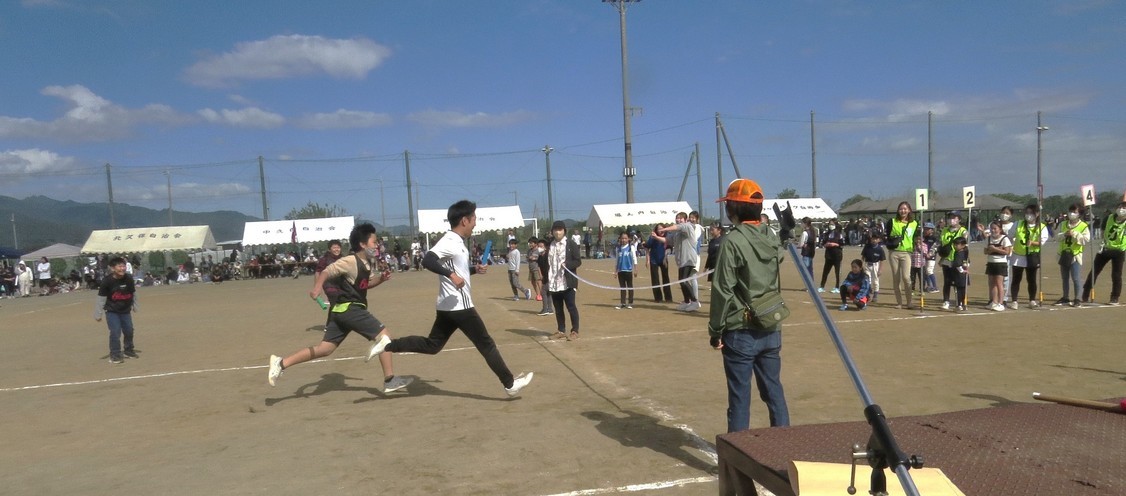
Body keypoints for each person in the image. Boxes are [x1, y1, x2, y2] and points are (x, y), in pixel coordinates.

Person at [376, 200, 533, 396]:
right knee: (486, 344)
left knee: (433, 345)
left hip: (448, 306)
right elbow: (428, 260)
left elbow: (457, 270)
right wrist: (451, 275)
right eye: (474, 219)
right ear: (464, 220)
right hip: (460, 306)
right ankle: (510, 384)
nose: (475, 223)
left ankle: (388, 345)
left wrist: (474, 269)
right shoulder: (450, 240)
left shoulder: (457, 242)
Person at [268, 223, 411, 393]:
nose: (377, 245)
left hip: (340, 312)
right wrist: (317, 288)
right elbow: (326, 271)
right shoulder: (350, 261)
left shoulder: (366, 263)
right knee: (384, 337)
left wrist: (381, 279)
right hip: (351, 308)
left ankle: (281, 363)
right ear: (362, 244)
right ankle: (389, 379)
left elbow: (366, 284)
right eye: (374, 242)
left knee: (325, 349)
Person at [708, 178, 789, 432]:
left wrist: (715, 330)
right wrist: (786, 233)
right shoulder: (770, 235)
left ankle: (737, 452)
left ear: (732, 208)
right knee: (774, 392)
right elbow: (780, 255)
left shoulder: (732, 241)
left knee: (740, 399)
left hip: (740, 329)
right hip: (771, 323)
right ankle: (785, 443)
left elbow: (722, 289)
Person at [93, 257, 139, 364]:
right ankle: (115, 354)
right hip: (112, 311)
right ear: (113, 268)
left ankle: (128, 350)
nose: (122, 268)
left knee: (129, 330)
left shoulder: (128, 278)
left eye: (124, 266)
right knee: (115, 332)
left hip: (125, 310)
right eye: (119, 266)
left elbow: (133, 293)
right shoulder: (107, 281)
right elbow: (101, 298)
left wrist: (135, 306)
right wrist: (98, 314)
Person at [657, 212, 705, 312]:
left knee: (684, 280)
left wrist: (664, 229)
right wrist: (655, 236)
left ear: (685, 220)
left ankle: (695, 302)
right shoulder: (677, 233)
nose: (678, 220)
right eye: (677, 218)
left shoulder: (688, 226)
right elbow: (667, 240)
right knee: (681, 281)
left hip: (689, 259)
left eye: (680, 218)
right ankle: (687, 302)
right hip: (681, 260)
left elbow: (677, 227)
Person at [1082, 201, 1126, 305]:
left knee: (1116, 275)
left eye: (1124, 208)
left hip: (1119, 251)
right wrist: (1103, 242)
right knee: (1094, 271)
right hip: (1105, 248)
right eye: (1120, 207)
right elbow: (1102, 231)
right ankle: (1085, 293)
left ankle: (1114, 297)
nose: (1121, 209)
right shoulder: (1109, 218)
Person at [546, 220, 583, 339]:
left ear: (564, 231)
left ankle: (575, 331)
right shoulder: (550, 245)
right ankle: (561, 330)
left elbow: (578, 261)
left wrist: (568, 264)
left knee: (571, 306)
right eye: (555, 230)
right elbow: (547, 263)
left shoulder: (571, 244)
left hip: (567, 282)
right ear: (552, 231)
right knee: (558, 308)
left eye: (560, 229)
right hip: (554, 282)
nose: (558, 232)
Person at [1010, 204, 1049, 309]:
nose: (1028, 215)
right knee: (1016, 279)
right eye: (1027, 212)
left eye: (1031, 213)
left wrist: (1033, 243)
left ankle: (1032, 300)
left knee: (1031, 279)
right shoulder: (1018, 224)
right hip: (1018, 256)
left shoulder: (1041, 227)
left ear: (1037, 214)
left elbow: (1042, 242)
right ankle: (1014, 301)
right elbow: (1010, 235)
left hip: (1032, 256)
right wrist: (1010, 246)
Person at [884, 202, 919, 309]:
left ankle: (909, 302)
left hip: (907, 252)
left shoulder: (914, 223)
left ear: (909, 210)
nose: (903, 211)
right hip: (894, 252)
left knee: (906, 277)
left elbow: (915, 237)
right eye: (901, 209)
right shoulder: (892, 221)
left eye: (905, 209)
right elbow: (887, 236)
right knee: (896, 278)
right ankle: (899, 302)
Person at [1054, 203, 1090, 307]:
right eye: (1070, 211)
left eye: (1074, 212)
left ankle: (1078, 298)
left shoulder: (1083, 226)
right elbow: (1056, 237)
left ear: (1079, 214)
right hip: (1063, 254)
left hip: (1075, 255)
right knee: (1064, 278)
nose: (1071, 213)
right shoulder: (1063, 224)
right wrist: (1064, 234)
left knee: (1076, 278)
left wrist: (1075, 234)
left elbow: (1085, 240)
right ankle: (1065, 297)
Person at [939, 211, 969, 310]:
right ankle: (946, 301)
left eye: (954, 217)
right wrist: (940, 257)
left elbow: (965, 244)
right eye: (950, 217)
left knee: (959, 282)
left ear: (959, 219)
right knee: (947, 282)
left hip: (958, 261)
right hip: (947, 260)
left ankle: (959, 302)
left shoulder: (963, 231)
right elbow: (942, 244)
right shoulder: (944, 230)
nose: (951, 220)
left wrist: (965, 261)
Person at [983, 220, 1012, 311]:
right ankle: (994, 302)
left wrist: (995, 249)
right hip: (991, 263)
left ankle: (1001, 302)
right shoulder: (988, 239)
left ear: (1000, 229)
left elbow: (1007, 252)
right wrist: (990, 250)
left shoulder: (1004, 239)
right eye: (991, 228)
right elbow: (985, 251)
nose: (993, 230)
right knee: (992, 283)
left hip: (1000, 263)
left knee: (999, 283)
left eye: (995, 228)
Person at [645, 224, 675, 303]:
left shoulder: (667, 237)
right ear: (656, 230)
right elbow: (647, 247)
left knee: (666, 278)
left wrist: (666, 257)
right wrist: (647, 260)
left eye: (662, 228)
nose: (661, 230)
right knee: (655, 279)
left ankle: (668, 298)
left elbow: (669, 248)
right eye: (659, 229)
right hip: (654, 260)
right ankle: (658, 298)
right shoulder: (652, 237)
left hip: (664, 260)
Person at [818, 219, 844, 293]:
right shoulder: (826, 234)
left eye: (832, 224)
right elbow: (823, 243)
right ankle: (822, 286)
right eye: (830, 224)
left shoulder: (839, 234)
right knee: (825, 271)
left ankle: (837, 287)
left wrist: (834, 244)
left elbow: (842, 245)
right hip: (829, 255)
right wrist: (826, 245)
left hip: (837, 255)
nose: (831, 226)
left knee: (837, 272)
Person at [613, 231, 637, 309]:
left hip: (628, 271)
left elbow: (634, 258)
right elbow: (617, 260)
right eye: (622, 238)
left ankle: (630, 302)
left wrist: (635, 269)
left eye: (625, 238)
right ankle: (623, 303)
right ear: (620, 239)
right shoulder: (618, 248)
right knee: (622, 287)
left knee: (630, 287)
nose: (623, 240)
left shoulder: (631, 247)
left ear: (628, 239)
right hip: (621, 271)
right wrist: (616, 271)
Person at [998, 206, 1017, 307]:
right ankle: (994, 297)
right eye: (1003, 212)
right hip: (996, 254)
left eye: (1007, 213)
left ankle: (1004, 298)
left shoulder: (1013, 225)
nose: (1004, 215)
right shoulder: (995, 224)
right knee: (994, 277)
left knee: (1005, 276)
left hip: (1007, 253)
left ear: (1011, 215)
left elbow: (1014, 238)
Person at [861, 232, 885, 304]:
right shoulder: (867, 247)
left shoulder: (880, 249)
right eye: (873, 239)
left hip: (875, 265)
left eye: (876, 239)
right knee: (867, 280)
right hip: (867, 264)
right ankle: (867, 295)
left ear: (879, 240)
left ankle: (875, 295)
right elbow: (863, 256)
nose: (874, 240)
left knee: (875, 281)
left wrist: (880, 270)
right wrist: (862, 265)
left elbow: (882, 260)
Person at [535, 237, 555, 316]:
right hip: (544, 276)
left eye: (541, 246)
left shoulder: (548, 256)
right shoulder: (540, 256)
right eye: (538, 246)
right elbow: (538, 266)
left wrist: (549, 277)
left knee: (543, 292)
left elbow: (551, 267)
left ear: (545, 247)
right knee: (548, 293)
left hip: (549, 276)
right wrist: (540, 275)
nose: (539, 248)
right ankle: (550, 309)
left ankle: (545, 309)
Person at [951, 237, 971, 312]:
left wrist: (962, 270)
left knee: (958, 291)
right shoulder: (965, 253)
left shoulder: (959, 254)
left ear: (963, 245)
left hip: (958, 275)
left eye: (957, 244)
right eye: (954, 244)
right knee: (963, 290)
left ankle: (959, 305)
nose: (955, 246)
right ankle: (964, 304)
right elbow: (968, 262)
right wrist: (966, 268)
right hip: (964, 275)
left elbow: (957, 264)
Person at [526, 237, 543, 302]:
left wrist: (532, 258)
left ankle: (542, 294)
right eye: (529, 243)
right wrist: (530, 257)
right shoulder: (529, 251)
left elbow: (535, 258)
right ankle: (538, 294)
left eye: (531, 243)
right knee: (533, 282)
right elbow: (528, 258)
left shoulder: (539, 250)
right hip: (531, 268)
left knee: (538, 281)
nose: (530, 244)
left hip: (536, 268)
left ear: (536, 243)